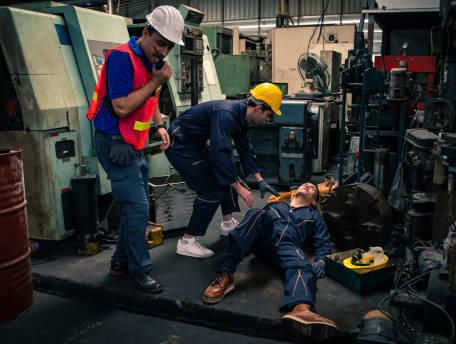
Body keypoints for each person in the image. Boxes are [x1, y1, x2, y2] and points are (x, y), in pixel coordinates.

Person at [86, 5, 185, 293]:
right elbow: (121, 107)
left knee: (133, 208)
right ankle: (140, 271)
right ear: (146, 32)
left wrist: (160, 125)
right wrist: (157, 80)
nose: (163, 52)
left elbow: (148, 98)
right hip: (115, 143)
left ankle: (119, 263)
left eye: (169, 47)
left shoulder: (149, 62)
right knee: (139, 208)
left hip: (134, 143)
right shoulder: (120, 57)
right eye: (160, 44)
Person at [202, 183, 338, 341]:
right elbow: (251, 229)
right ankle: (225, 273)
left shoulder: (314, 217)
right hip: (264, 240)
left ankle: (301, 310)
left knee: (302, 264)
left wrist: (322, 260)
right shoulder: (276, 206)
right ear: (294, 193)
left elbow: (323, 243)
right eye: (304, 184)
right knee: (256, 214)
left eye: (312, 188)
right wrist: (241, 248)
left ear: (314, 202)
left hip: (288, 246)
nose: (308, 185)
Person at [164, 83, 282, 258]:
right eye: (269, 115)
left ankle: (228, 225)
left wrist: (260, 180)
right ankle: (187, 242)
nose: (267, 120)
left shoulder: (241, 114)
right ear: (258, 108)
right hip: (180, 146)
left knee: (226, 175)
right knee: (211, 192)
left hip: (195, 145)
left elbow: (244, 148)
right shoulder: (226, 113)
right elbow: (219, 151)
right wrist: (238, 186)